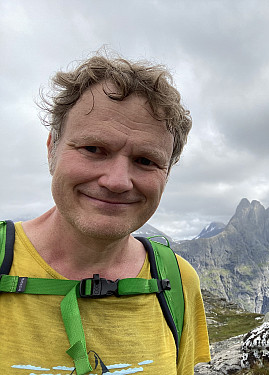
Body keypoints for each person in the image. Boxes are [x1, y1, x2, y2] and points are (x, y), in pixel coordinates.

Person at [0, 52, 211, 374]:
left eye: (145, 160)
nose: (116, 182)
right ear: (51, 149)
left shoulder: (178, 281)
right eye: (94, 149)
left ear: (166, 172)